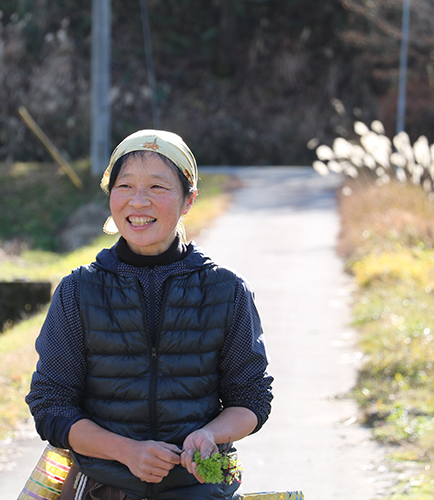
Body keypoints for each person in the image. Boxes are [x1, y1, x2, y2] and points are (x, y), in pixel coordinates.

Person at [26, 129, 273, 500]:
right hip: (101, 488)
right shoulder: (78, 291)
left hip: (197, 488)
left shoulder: (227, 291)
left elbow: (251, 397)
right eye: (124, 186)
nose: (138, 202)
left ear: (188, 200)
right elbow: (51, 404)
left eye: (157, 188)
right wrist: (126, 452)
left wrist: (210, 434)